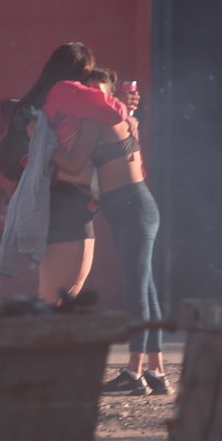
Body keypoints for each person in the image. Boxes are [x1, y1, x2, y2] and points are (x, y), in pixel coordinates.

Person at [53, 69, 170, 396]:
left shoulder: (96, 121)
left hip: (133, 206)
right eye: (86, 91)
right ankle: (156, 371)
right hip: (130, 207)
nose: (90, 98)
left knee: (136, 286)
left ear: (108, 95)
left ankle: (133, 373)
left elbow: (74, 165)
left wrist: (40, 144)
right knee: (144, 287)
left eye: (96, 92)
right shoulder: (115, 117)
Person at [12, 43, 131, 305]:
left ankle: (45, 341)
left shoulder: (54, 97)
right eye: (87, 73)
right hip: (68, 204)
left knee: (60, 297)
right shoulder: (66, 90)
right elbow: (113, 113)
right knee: (55, 299)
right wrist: (120, 103)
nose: (89, 80)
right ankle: (42, 343)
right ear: (76, 70)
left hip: (67, 202)